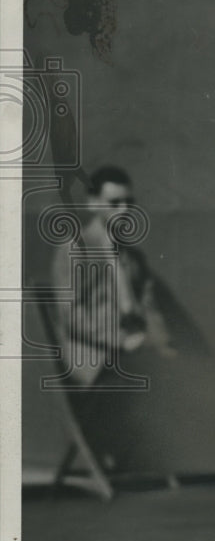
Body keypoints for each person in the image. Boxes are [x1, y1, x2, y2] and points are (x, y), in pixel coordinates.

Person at [50, 164, 176, 387]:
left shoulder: (134, 258)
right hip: (92, 361)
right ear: (93, 203)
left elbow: (149, 307)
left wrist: (161, 343)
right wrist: (122, 340)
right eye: (115, 203)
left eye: (129, 202)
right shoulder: (75, 249)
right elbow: (71, 316)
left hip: (135, 356)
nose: (125, 209)